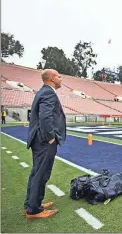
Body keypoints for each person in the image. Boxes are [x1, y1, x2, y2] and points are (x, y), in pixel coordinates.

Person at [24, 69, 66, 219]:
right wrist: (50, 137)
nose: (61, 79)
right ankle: (34, 210)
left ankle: (31, 204)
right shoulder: (48, 92)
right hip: (44, 140)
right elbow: (45, 117)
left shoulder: (43, 91)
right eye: (59, 76)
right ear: (52, 78)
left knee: (36, 172)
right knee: (41, 173)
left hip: (38, 139)